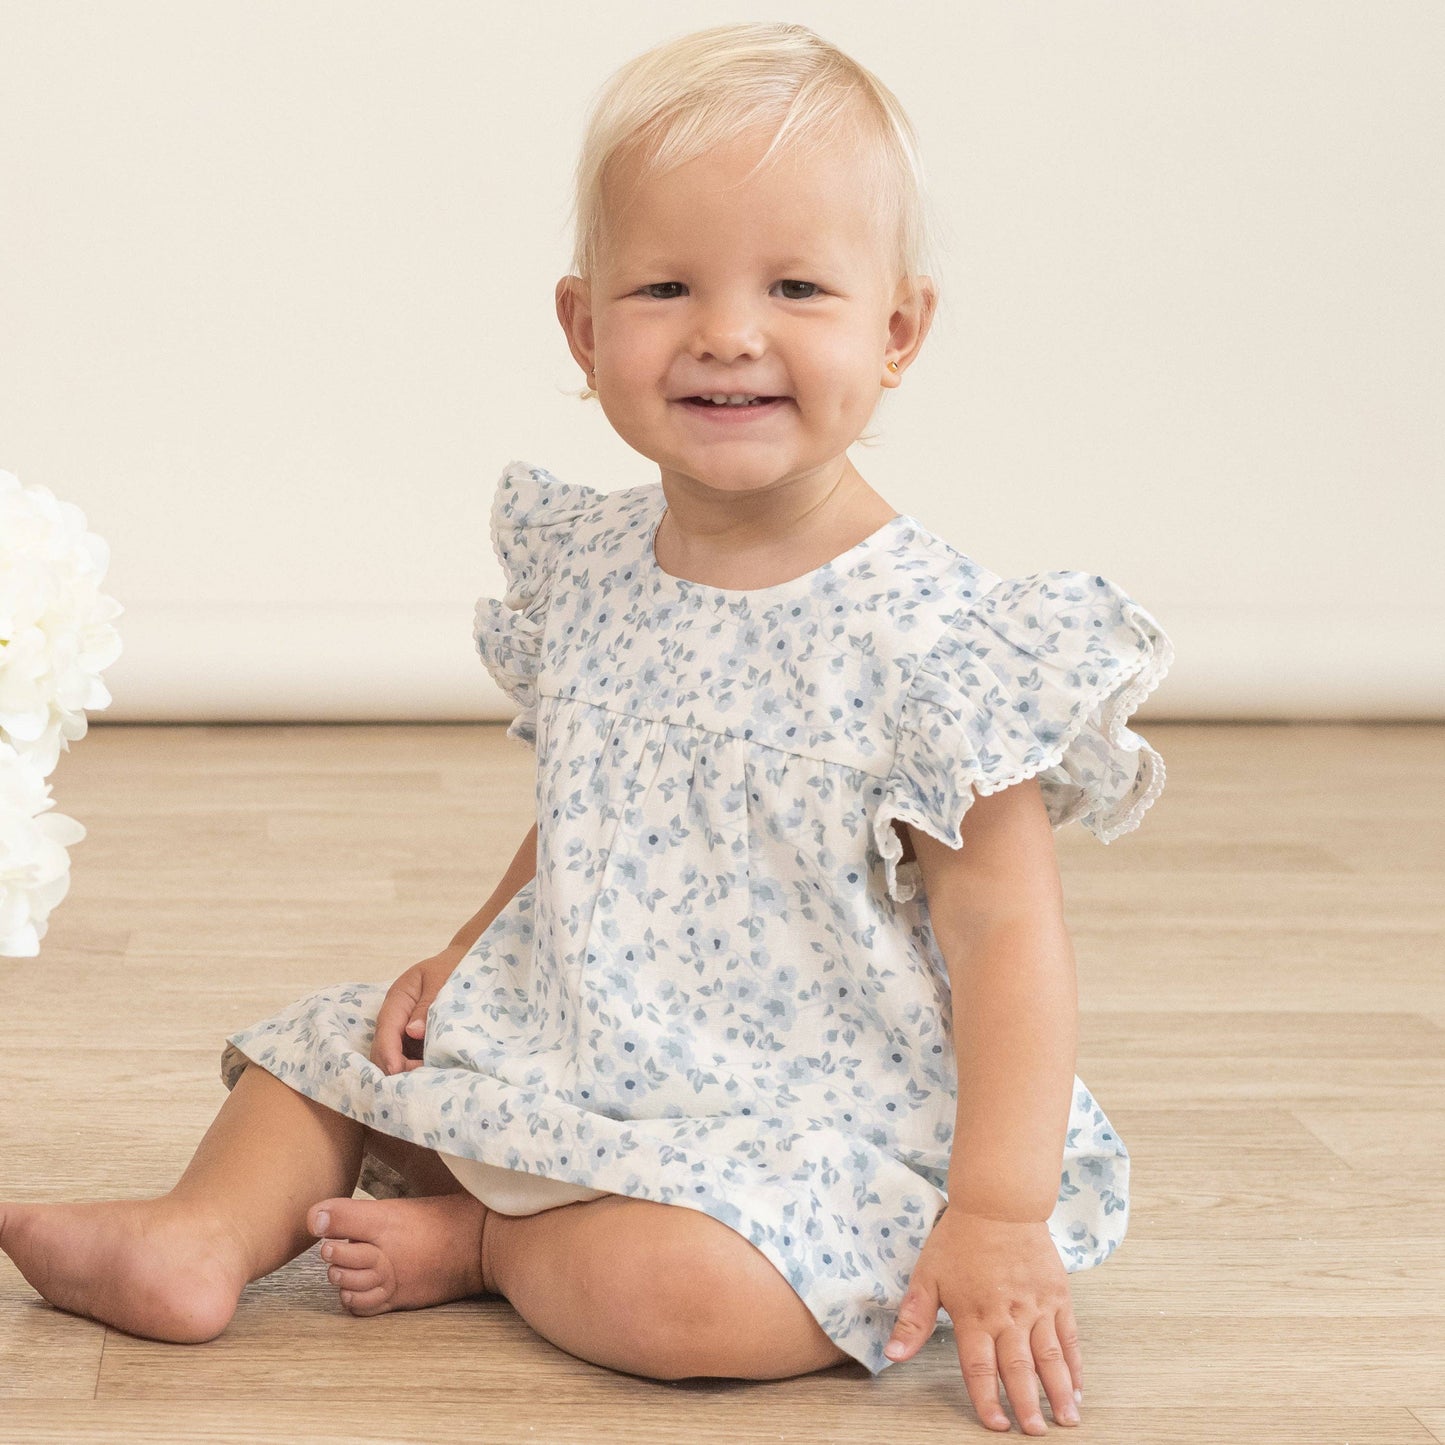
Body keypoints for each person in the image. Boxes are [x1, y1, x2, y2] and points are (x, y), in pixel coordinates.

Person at [0, 21, 1174, 1435]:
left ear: (897, 329)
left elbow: (1007, 941)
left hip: (794, 1108)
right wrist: (469, 948)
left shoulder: (934, 640)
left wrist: (995, 1206)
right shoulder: (598, 564)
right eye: (666, 286)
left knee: (699, 1297)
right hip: (587, 1024)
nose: (727, 331)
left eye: (797, 286)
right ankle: (198, 1234)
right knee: (341, 1054)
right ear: (583, 327)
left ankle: (491, 1244)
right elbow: (592, 798)